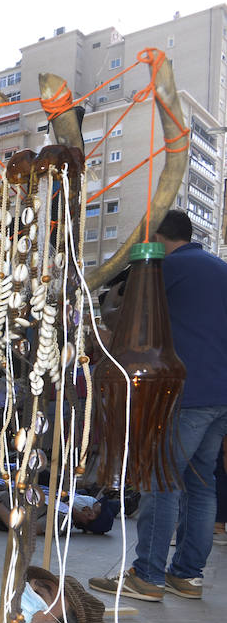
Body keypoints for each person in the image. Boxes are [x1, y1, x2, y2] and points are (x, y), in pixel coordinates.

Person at [90, 210, 227, 602]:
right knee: (201, 486)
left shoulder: (163, 270)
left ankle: (147, 575)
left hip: (184, 394)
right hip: (220, 396)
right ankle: (187, 575)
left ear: (154, 237)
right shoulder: (219, 268)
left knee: (160, 481)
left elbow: (122, 322)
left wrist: (114, 292)